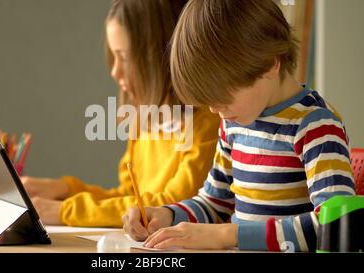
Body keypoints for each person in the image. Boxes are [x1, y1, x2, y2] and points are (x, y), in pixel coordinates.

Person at [123, 0, 355, 252]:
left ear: (270, 64)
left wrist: (229, 234)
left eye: (222, 97)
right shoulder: (232, 124)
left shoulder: (315, 126)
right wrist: (166, 215)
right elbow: (215, 203)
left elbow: (334, 226)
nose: (214, 110)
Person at [21, 0, 220, 227]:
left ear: (158, 54)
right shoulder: (144, 120)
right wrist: (65, 190)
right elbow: (130, 197)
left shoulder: (208, 122)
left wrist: (68, 210)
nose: (115, 71)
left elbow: (171, 205)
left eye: (124, 57)